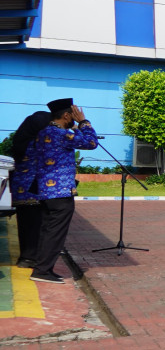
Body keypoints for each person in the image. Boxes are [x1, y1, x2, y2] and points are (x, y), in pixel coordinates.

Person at [28, 100, 98, 284]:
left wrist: (74, 128)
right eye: (73, 114)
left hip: (45, 191)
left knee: (47, 231)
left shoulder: (44, 133)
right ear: (67, 115)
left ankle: (41, 267)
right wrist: (83, 122)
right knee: (55, 233)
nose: (75, 117)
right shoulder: (62, 134)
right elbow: (91, 143)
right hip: (61, 192)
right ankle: (43, 271)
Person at [9, 102, 55, 267]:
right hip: (36, 189)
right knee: (38, 224)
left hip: (21, 188)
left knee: (26, 224)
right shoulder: (41, 143)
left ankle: (26, 257)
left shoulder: (22, 141)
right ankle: (35, 258)